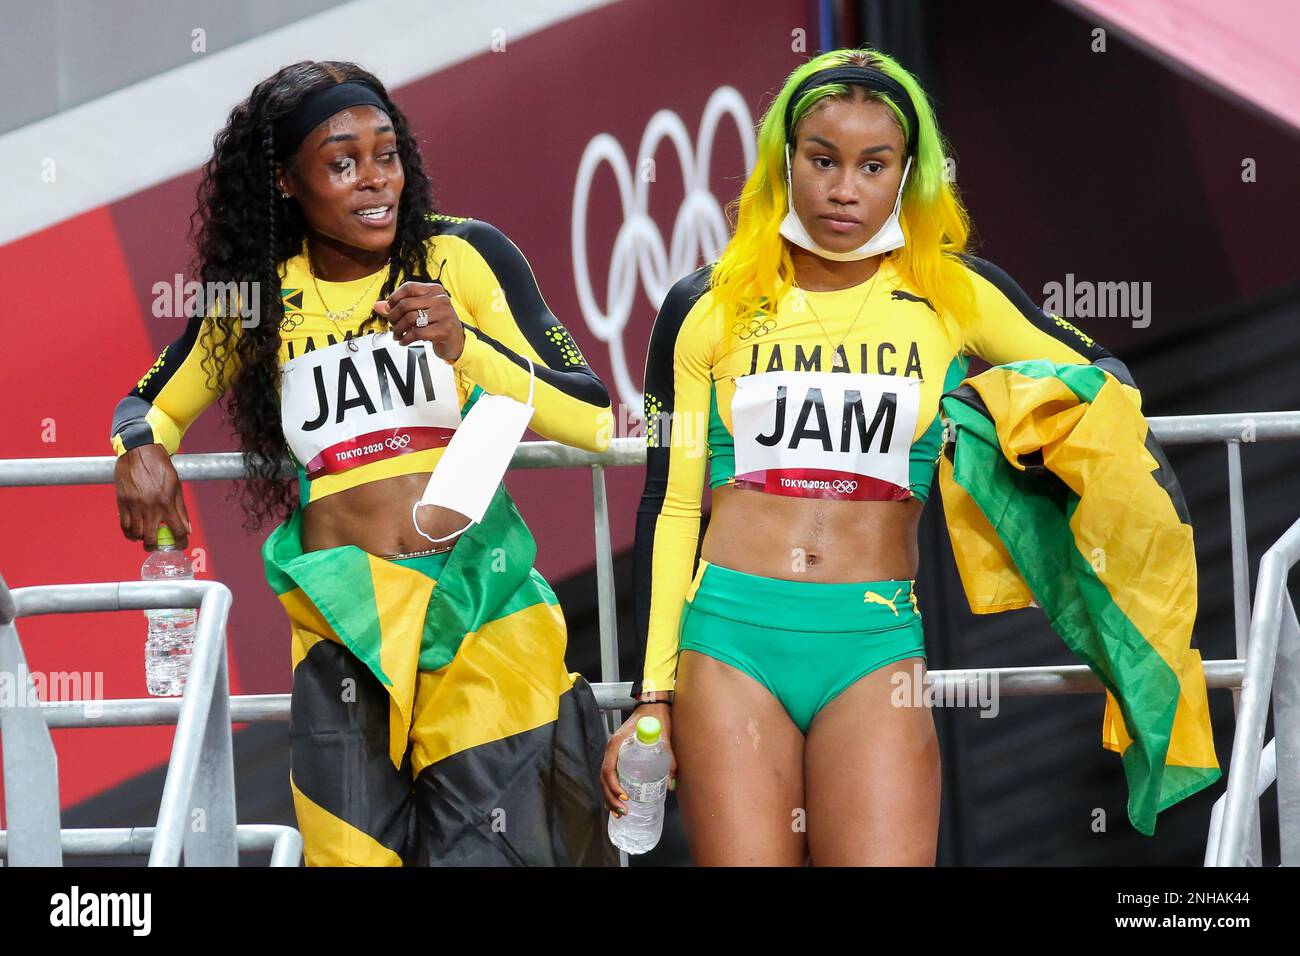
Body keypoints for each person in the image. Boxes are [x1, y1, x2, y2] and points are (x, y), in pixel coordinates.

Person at [604, 47, 1136, 865]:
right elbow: (670, 507)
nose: (844, 189)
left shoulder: (956, 296)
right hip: (728, 644)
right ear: (786, 164)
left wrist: (998, 417)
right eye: (822, 161)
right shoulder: (703, 307)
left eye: (872, 165)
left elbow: (1107, 382)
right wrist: (653, 696)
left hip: (874, 646)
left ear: (908, 175)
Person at [111, 61, 618, 866]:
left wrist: (465, 348)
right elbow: (148, 403)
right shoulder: (257, 295)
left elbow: (593, 416)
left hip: (479, 605)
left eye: (387, 154)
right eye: (341, 163)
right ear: (285, 181)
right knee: (349, 859)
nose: (375, 180)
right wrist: (139, 451)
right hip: (342, 625)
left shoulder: (464, 255)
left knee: (491, 856)